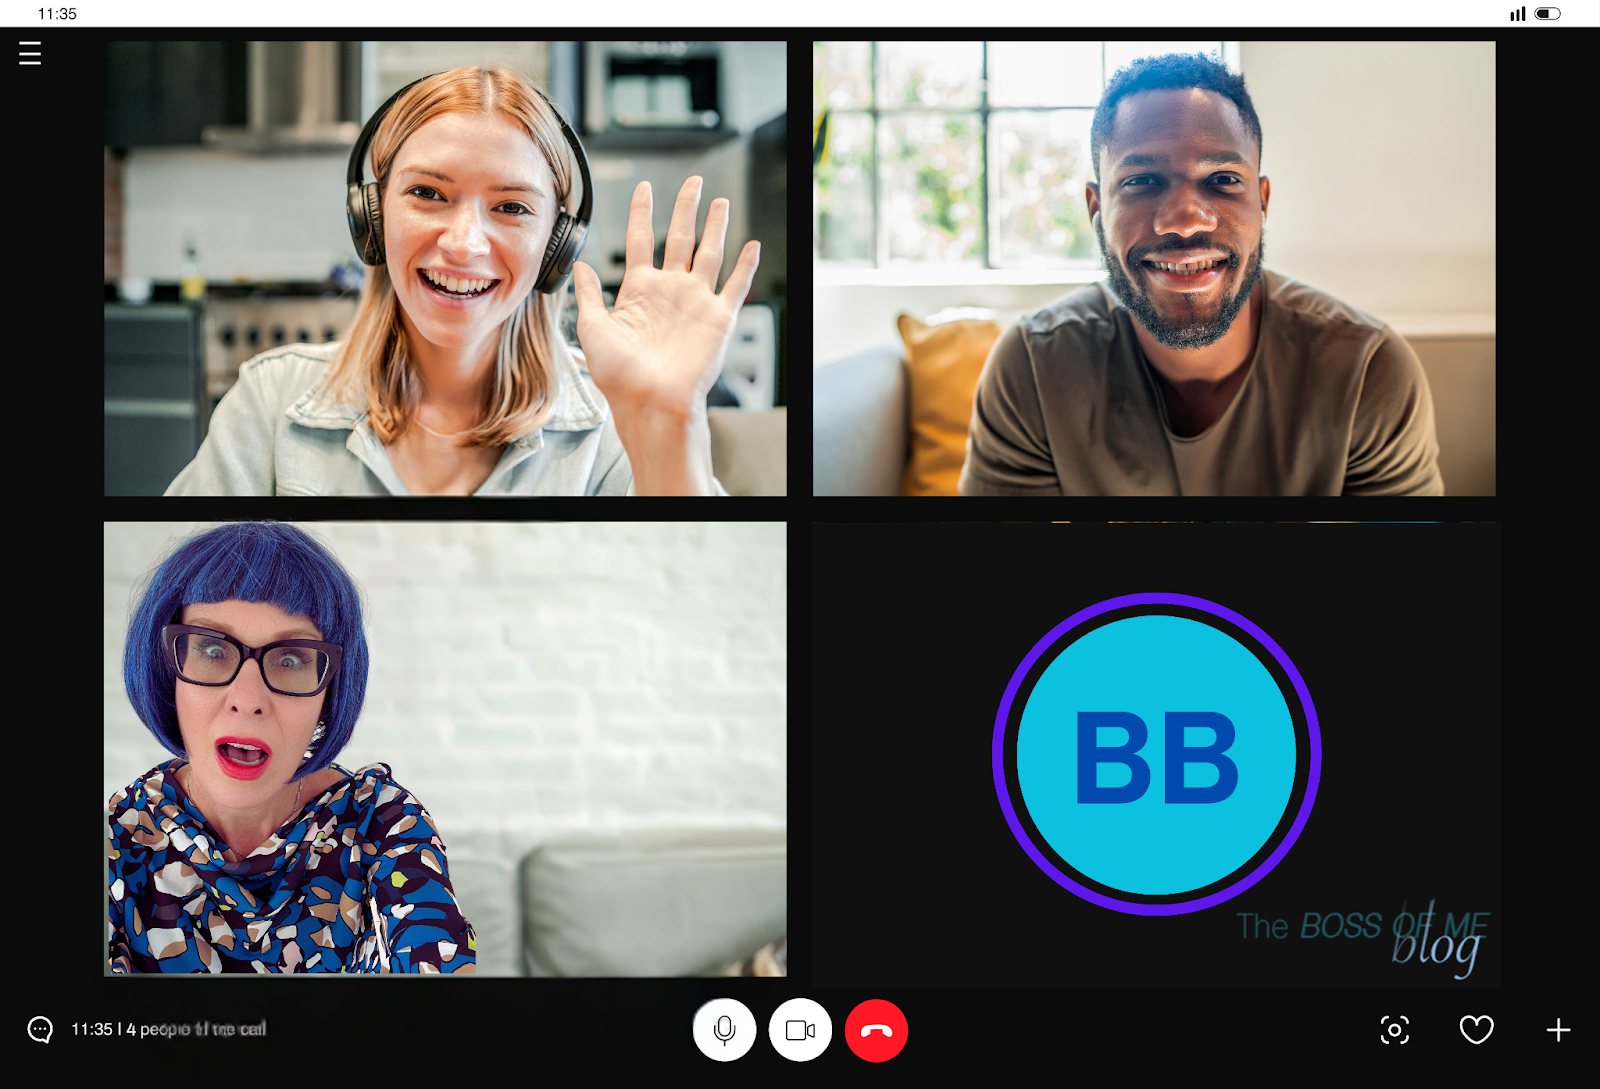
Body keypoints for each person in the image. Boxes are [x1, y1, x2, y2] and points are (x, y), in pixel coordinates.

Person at [165, 66, 759, 495]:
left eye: (512, 207)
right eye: (427, 193)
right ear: (371, 216)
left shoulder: (612, 421)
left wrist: (668, 421)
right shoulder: (269, 405)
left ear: (557, 244)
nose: (464, 243)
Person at [959, 52, 1443, 496]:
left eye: (1223, 181)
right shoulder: (1031, 370)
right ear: (1096, 208)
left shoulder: (1367, 372)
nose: (1186, 219)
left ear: (1263, 202)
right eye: (1141, 182)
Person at [109, 521, 477, 973]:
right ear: (169, 671)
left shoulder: (383, 824)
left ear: (329, 695)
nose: (247, 700)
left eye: (290, 659)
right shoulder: (118, 839)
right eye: (210, 649)